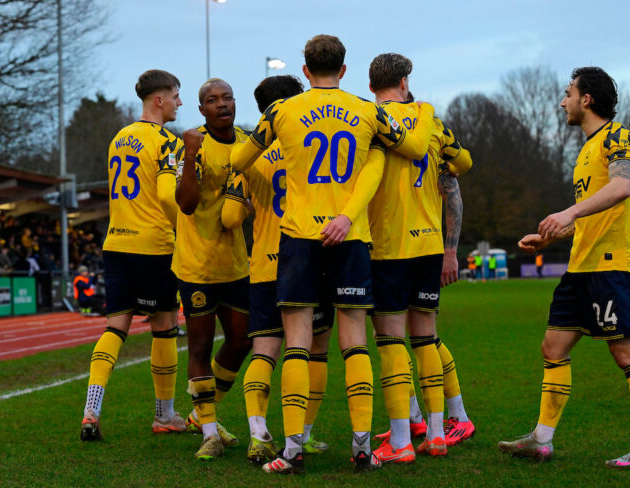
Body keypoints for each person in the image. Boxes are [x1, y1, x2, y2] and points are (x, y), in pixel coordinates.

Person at [231, 34, 438, 474]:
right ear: (344, 70)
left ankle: (292, 451)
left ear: (306, 71)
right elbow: (414, 148)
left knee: (298, 344)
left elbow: (240, 159)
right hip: (351, 237)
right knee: (355, 343)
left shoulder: (281, 111)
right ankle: (361, 448)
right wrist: (423, 112)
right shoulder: (367, 111)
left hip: (299, 236)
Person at [498, 67, 630, 468]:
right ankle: (541, 440)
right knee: (553, 348)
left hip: (610, 266)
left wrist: (568, 211)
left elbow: (621, 188)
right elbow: (595, 215)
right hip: (580, 268)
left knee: (626, 352)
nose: (563, 102)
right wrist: (550, 237)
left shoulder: (617, 137)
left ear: (586, 98)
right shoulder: (587, 150)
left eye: (568, 93)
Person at [365, 53, 474, 463]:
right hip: (429, 245)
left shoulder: (367, 120)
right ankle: (437, 433)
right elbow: (463, 163)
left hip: (386, 246)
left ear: (371, 85)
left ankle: (400, 442)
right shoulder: (433, 124)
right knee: (425, 338)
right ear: (404, 82)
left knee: (390, 341)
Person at [221, 75, 334, 464]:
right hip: (310, 262)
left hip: (265, 265)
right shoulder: (308, 145)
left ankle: (258, 434)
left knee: (264, 351)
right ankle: (303, 434)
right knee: (314, 351)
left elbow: (230, 217)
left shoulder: (250, 155)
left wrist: (251, 202)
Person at [80, 69, 185, 442]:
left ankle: (91, 410)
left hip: (116, 244)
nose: (179, 102)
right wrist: (185, 230)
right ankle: (165, 415)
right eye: (175, 95)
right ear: (159, 99)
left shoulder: (119, 138)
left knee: (114, 328)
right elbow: (166, 196)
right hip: (153, 245)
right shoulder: (167, 141)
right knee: (165, 325)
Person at [175, 78, 253, 460]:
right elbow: (186, 203)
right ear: (201, 109)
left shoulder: (247, 144)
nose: (221, 104)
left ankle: (200, 413)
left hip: (235, 263)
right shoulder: (191, 145)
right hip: (197, 264)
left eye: (226, 98)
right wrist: (190, 156)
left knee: (242, 340)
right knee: (201, 346)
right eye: (212, 100)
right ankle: (209, 431)